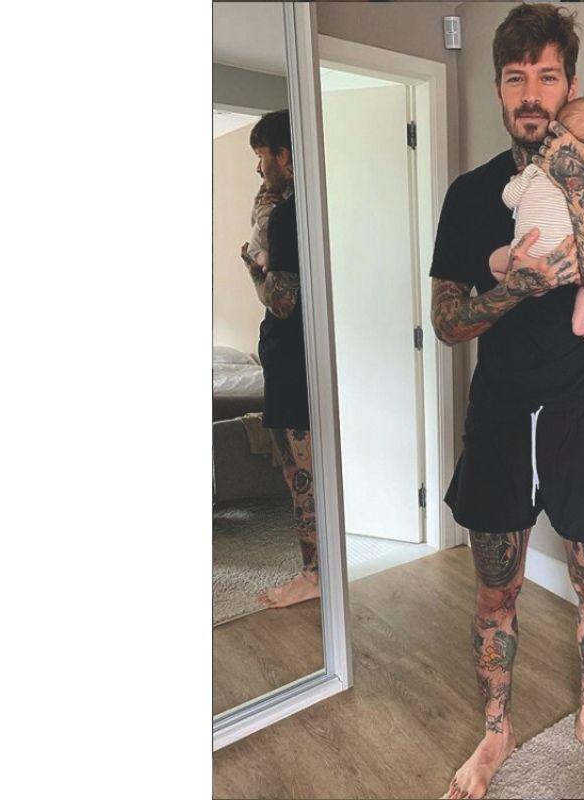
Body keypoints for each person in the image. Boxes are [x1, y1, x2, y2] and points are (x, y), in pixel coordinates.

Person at [430, 6, 584, 799]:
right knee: (497, 592)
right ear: (498, 88)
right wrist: (512, 289)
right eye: (515, 77)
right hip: (499, 415)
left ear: (570, 86)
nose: (531, 93)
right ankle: (498, 729)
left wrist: (573, 174)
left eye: (547, 76)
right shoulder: (470, 195)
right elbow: (447, 323)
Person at [239, 109, 321, 610]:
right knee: (299, 471)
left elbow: (284, 300)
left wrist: (253, 270)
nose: (258, 167)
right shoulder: (301, 207)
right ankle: (319, 568)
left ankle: (314, 575)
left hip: (294, 361)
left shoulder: (290, 217)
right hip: (293, 358)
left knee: (301, 472)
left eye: (262, 156)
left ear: (285, 156)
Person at [489, 97, 584, 340]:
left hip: (527, 255)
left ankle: (531, 289)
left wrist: (518, 181)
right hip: (574, 259)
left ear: (552, 137)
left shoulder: (537, 167)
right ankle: (580, 321)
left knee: (495, 261)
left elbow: (509, 199)